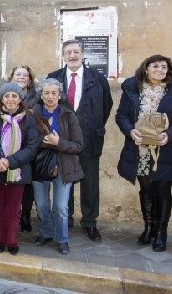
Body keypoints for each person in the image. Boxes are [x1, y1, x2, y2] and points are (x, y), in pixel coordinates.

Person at [116, 54, 172, 252]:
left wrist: (170, 135)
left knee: (163, 190)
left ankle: (161, 232)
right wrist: (130, 131)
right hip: (139, 149)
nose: (160, 70)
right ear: (146, 68)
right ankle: (149, 227)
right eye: (155, 66)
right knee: (146, 188)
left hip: (165, 149)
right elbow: (121, 115)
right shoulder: (132, 88)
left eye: (164, 67)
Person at [47, 39, 113, 241]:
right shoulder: (54, 78)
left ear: (82, 54)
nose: (72, 55)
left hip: (89, 138)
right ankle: (65, 220)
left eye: (76, 51)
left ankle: (90, 222)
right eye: (68, 52)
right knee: (64, 179)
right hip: (62, 141)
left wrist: (93, 125)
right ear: (63, 56)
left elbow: (106, 105)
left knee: (90, 182)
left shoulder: (97, 78)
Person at [0, 82, 39, 255]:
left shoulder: (28, 118)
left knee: (13, 210)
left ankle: (11, 241)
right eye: (7, 96)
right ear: (1, 99)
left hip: (18, 171)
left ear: (20, 99)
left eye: (14, 96)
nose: (10, 99)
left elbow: (32, 146)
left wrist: (10, 162)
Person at [31, 78, 84, 255]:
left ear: (60, 95)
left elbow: (78, 145)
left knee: (61, 206)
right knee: (42, 205)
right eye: (46, 93)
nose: (50, 96)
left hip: (64, 165)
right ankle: (46, 232)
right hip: (40, 165)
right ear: (41, 95)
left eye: (54, 93)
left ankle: (62, 239)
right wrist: (44, 141)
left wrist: (59, 142)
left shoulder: (68, 115)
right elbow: (27, 140)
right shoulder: (32, 114)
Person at [9, 65, 37, 232]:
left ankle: (25, 215)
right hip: (9, 147)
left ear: (30, 80)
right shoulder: (5, 96)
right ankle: (12, 216)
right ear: (12, 78)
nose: (21, 77)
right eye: (18, 74)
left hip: (29, 147)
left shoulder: (38, 98)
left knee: (27, 184)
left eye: (25, 75)